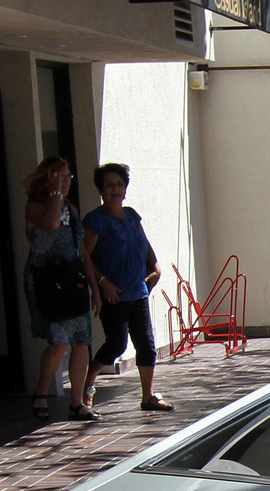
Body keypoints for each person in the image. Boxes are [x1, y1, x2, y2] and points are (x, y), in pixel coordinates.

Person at [78, 163, 171, 413]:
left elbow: (145, 245)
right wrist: (101, 283)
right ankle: (88, 383)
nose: (115, 189)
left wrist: (156, 267)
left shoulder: (131, 215)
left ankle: (148, 396)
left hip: (138, 291)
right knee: (116, 344)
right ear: (100, 189)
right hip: (113, 293)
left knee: (146, 344)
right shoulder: (95, 220)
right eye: (109, 184)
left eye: (119, 184)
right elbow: (84, 254)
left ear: (125, 189)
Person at [21, 157, 94, 420]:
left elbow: (82, 250)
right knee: (59, 341)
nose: (64, 183)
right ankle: (41, 392)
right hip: (47, 281)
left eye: (67, 177)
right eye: (58, 177)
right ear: (46, 179)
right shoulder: (35, 206)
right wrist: (53, 193)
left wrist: (94, 287)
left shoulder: (71, 209)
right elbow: (51, 223)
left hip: (72, 279)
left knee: (81, 342)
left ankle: (77, 403)